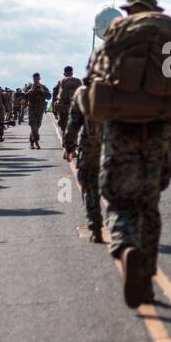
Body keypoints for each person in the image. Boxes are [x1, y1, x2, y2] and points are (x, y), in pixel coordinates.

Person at [90, 0, 171, 307]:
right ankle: (146, 277)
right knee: (149, 203)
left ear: (131, 7)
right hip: (159, 125)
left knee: (119, 199)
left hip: (120, 126)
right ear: (154, 7)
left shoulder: (118, 29)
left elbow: (96, 74)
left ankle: (125, 247)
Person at [63, 73, 104, 243]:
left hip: (91, 148)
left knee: (89, 187)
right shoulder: (126, 91)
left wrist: (69, 147)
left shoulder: (83, 92)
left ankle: (95, 226)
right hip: (121, 149)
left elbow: (73, 124)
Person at [26, 73, 51, 149]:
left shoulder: (43, 87)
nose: (36, 80)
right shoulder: (29, 87)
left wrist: (42, 90)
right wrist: (30, 90)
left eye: (37, 79)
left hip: (40, 110)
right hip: (32, 109)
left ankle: (32, 141)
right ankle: (35, 142)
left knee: (37, 127)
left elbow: (49, 97)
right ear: (33, 79)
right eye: (35, 79)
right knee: (33, 126)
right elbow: (24, 96)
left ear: (40, 78)